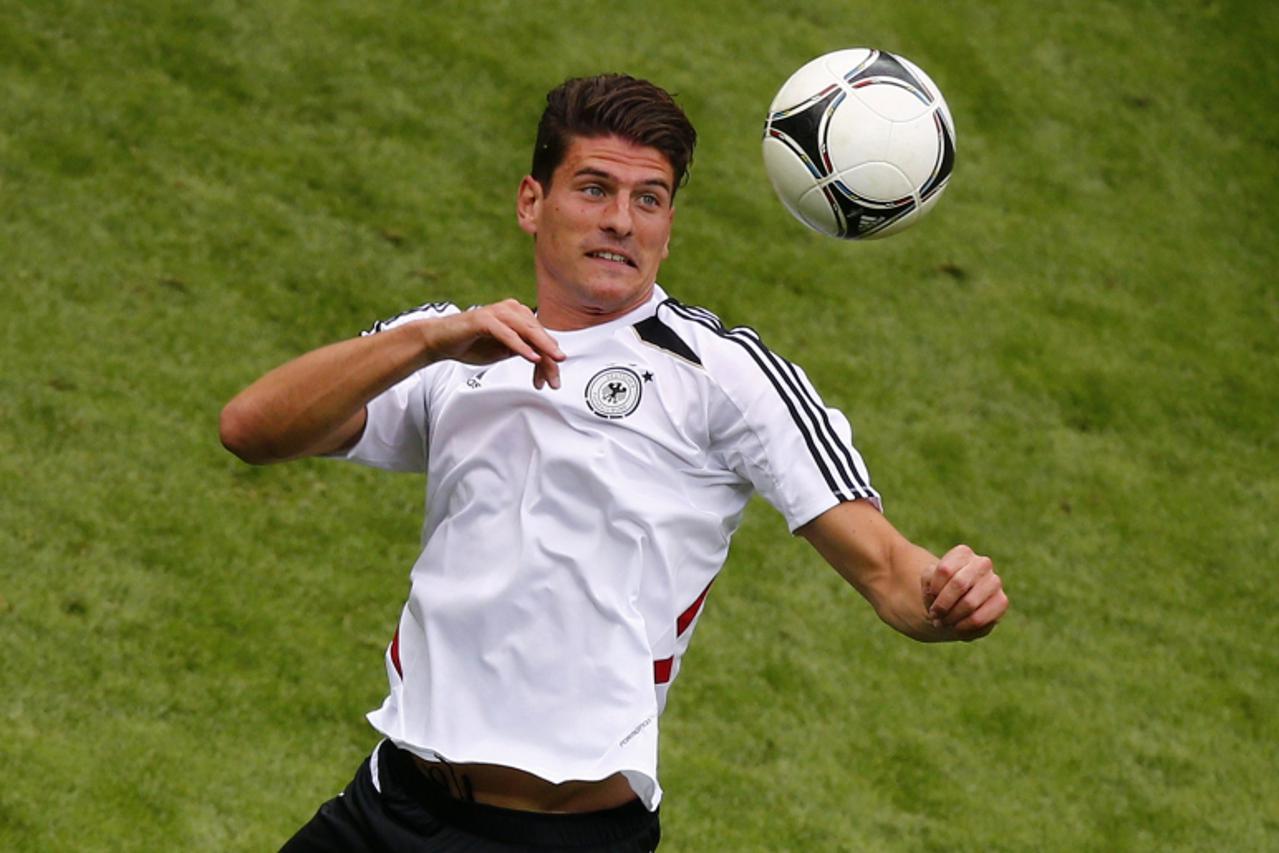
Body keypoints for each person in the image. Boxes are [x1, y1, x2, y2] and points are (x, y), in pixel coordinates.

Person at [220, 73, 1008, 852]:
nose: (621, 222)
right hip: (389, 802)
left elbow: (886, 570)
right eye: (594, 189)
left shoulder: (722, 376)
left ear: (669, 222)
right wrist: (427, 340)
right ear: (532, 202)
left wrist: (942, 602)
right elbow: (250, 429)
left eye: (648, 198)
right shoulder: (455, 345)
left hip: (559, 838)